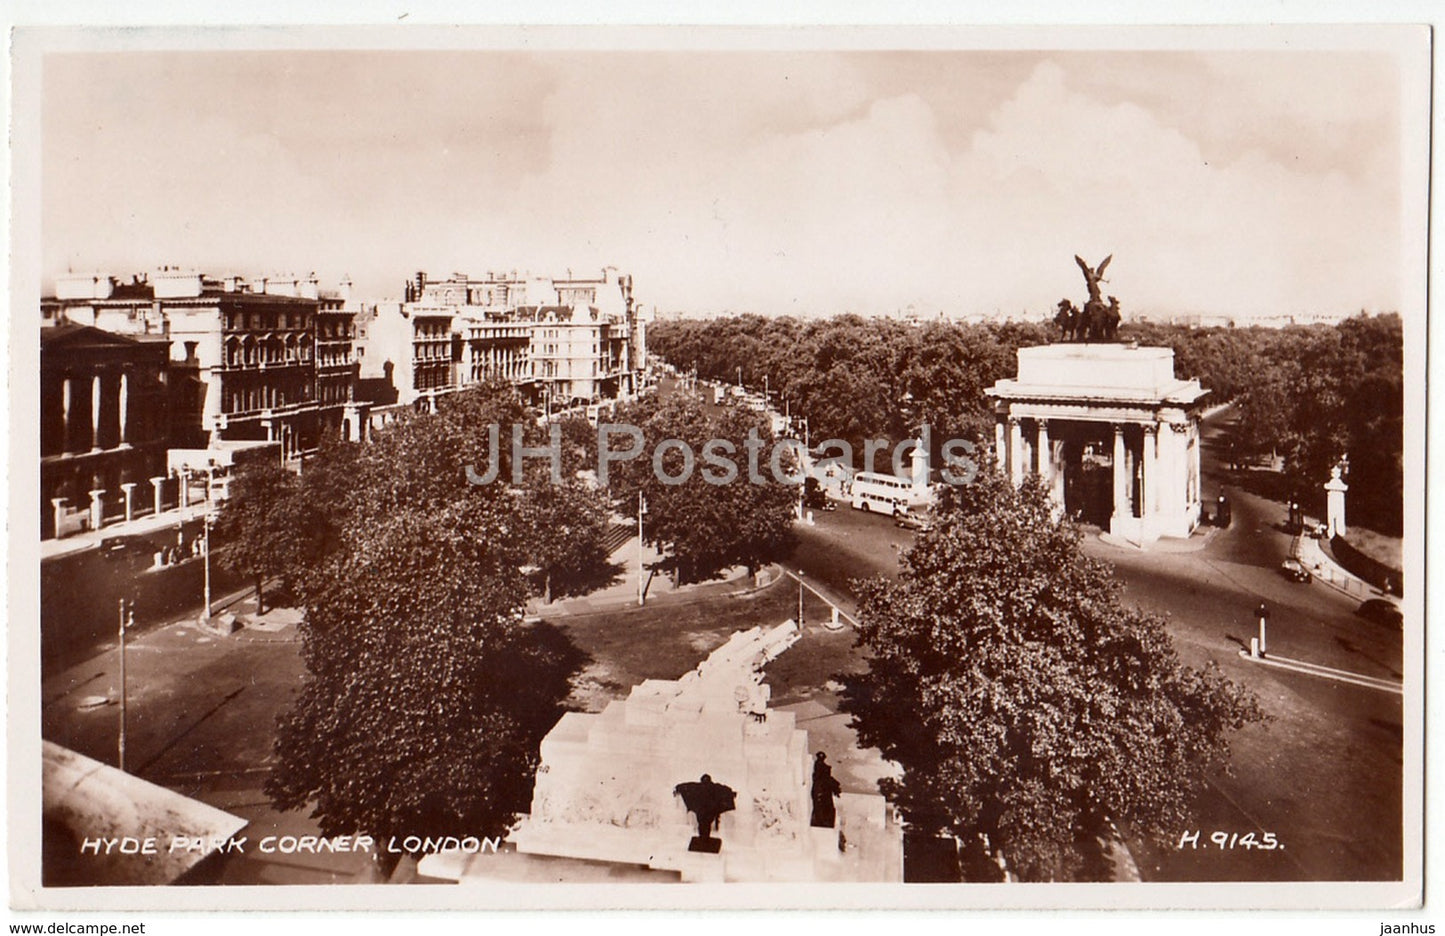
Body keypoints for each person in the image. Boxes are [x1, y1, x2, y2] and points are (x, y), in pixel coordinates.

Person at [811, 752, 841, 828]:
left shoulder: (821, 767)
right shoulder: (819, 768)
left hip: (824, 789)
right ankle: (823, 822)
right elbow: (825, 779)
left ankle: (824, 821)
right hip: (822, 790)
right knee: (823, 808)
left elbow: (827, 779)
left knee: (825, 807)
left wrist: (835, 787)